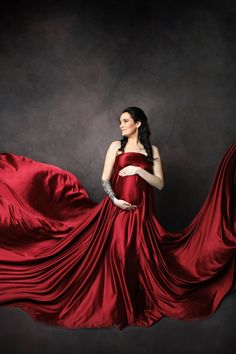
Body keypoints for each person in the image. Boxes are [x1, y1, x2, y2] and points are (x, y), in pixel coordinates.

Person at [0, 106, 235, 331]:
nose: (120, 125)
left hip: (142, 215)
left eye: (125, 121)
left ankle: (135, 298)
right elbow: (105, 179)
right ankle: (118, 304)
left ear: (138, 123)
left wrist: (139, 171)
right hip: (118, 210)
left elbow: (160, 184)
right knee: (120, 252)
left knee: (140, 255)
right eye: (120, 121)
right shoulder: (116, 147)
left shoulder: (151, 151)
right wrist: (115, 200)